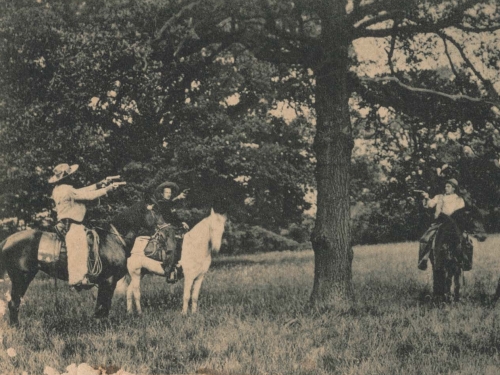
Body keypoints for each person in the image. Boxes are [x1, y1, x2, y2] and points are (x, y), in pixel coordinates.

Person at [49, 163, 121, 288]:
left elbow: (81, 191)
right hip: (72, 225)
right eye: (71, 175)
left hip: (66, 223)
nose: (73, 176)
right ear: (66, 177)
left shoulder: (59, 189)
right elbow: (87, 195)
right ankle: (79, 279)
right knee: (81, 245)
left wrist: (99, 184)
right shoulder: (67, 189)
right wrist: (106, 189)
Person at [418, 178, 465, 270]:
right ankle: (424, 259)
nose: (446, 188)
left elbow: (459, 212)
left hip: (454, 223)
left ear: (454, 188)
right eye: (445, 186)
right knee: (425, 238)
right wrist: (426, 197)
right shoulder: (439, 197)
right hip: (440, 222)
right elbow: (430, 205)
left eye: (448, 186)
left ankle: (465, 261)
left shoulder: (459, 199)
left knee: (466, 240)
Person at [152, 181, 189, 283]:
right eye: (166, 192)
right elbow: (167, 211)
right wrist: (178, 198)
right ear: (162, 194)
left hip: (171, 228)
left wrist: (182, 222)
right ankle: (169, 271)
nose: (168, 194)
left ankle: (178, 266)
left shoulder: (170, 204)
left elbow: (174, 216)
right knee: (171, 247)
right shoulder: (161, 203)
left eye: (169, 192)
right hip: (164, 228)